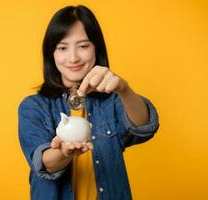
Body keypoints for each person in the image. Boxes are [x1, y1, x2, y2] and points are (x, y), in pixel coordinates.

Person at [18, 5, 159, 200]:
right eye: (62, 47)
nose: (73, 57)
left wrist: (124, 89)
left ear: (96, 48)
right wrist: (64, 153)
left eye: (83, 46)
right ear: (52, 53)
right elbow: (44, 163)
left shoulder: (112, 101)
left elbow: (143, 127)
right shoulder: (33, 106)